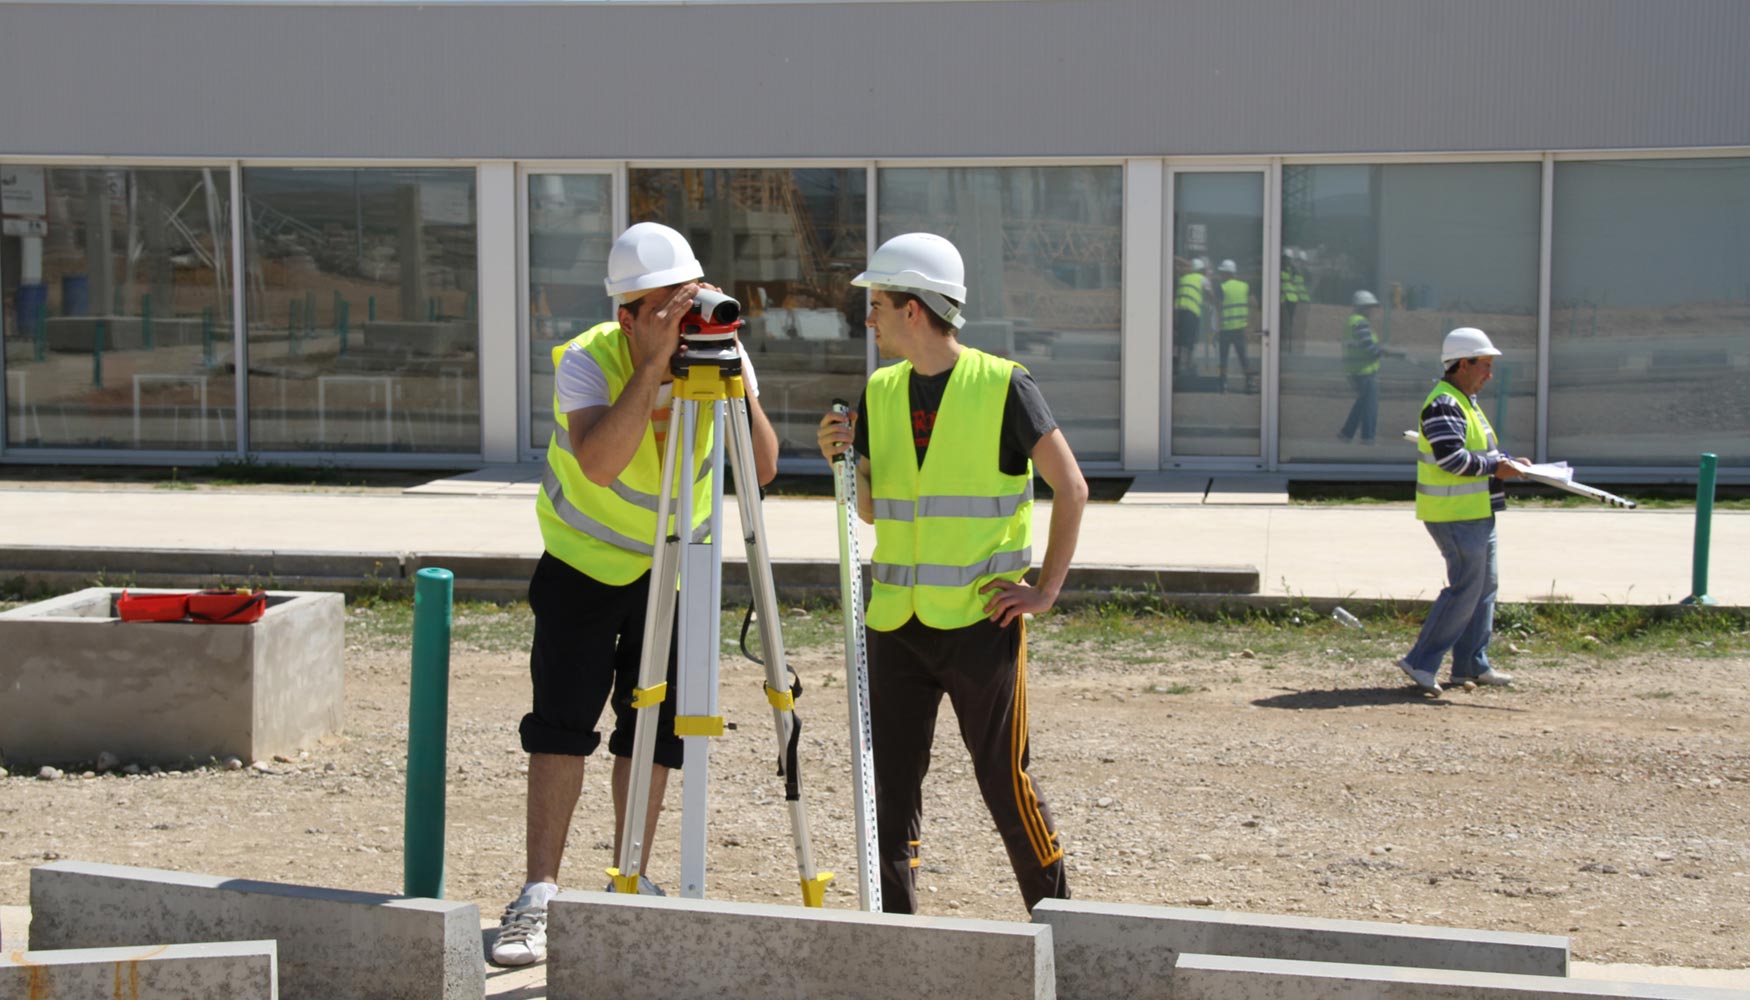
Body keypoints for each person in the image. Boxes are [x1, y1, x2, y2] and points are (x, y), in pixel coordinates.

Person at [491, 222, 779, 966]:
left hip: (679, 567)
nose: (683, 321)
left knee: (654, 729)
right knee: (561, 724)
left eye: (687, 302)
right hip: (586, 564)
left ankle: (631, 876)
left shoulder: (719, 348)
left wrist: (728, 371)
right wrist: (651, 366)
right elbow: (599, 464)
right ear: (628, 314)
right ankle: (541, 892)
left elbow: (764, 466)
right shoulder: (590, 358)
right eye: (663, 309)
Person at [815, 232, 1088, 915]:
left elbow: (1073, 487)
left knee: (1003, 779)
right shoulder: (879, 390)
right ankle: (894, 933)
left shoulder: (1005, 385)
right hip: (896, 625)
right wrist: (841, 463)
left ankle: (1059, 921)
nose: (867, 317)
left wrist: (1046, 590)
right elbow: (875, 510)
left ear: (915, 310)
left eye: (876, 304)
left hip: (979, 622)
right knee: (890, 789)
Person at [1397, 327, 1525, 697]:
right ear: (1462, 365)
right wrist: (1496, 468)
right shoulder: (1444, 403)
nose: (1489, 374)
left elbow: (1475, 452)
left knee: (1483, 588)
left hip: (1475, 511)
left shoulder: (1464, 401)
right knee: (1466, 590)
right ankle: (1421, 661)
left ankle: (1470, 664)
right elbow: (1451, 458)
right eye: (1484, 365)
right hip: (1454, 514)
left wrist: (1508, 463)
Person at [1338, 290, 1388, 444]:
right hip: (1365, 371)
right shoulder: (1360, 323)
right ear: (1363, 307)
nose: (1372, 310)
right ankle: (1368, 437)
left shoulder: (1351, 321)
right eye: (1370, 307)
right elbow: (1369, 348)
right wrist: (1383, 351)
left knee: (1362, 403)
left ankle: (1346, 434)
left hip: (1355, 370)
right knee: (1370, 406)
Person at [1214, 259, 1255, 392]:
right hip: (1240, 328)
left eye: (1222, 272)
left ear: (1226, 273)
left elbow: (1218, 309)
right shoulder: (1244, 286)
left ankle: (1223, 383)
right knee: (1243, 357)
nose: (1220, 275)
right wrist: (1250, 325)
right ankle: (1250, 382)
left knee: (1223, 358)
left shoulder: (1222, 287)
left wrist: (1216, 330)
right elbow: (1254, 304)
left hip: (1226, 329)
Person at [1173, 256, 1209, 378]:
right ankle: (1187, 366)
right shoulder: (1202, 279)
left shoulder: (1184, 278)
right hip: (1191, 311)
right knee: (1189, 341)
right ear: (1201, 270)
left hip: (1178, 311)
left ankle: (1176, 364)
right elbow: (1210, 293)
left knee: (1179, 339)